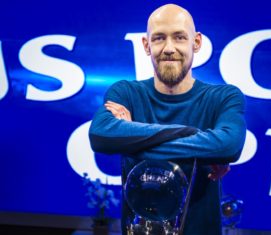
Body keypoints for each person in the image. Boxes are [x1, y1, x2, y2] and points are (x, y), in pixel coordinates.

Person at [89, 4, 246, 235]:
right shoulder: (126, 93)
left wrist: (131, 135)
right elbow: (101, 135)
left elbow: (229, 145)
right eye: (159, 38)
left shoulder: (223, 97)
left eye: (180, 37)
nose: (169, 48)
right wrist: (192, 135)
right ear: (146, 44)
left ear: (197, 42)